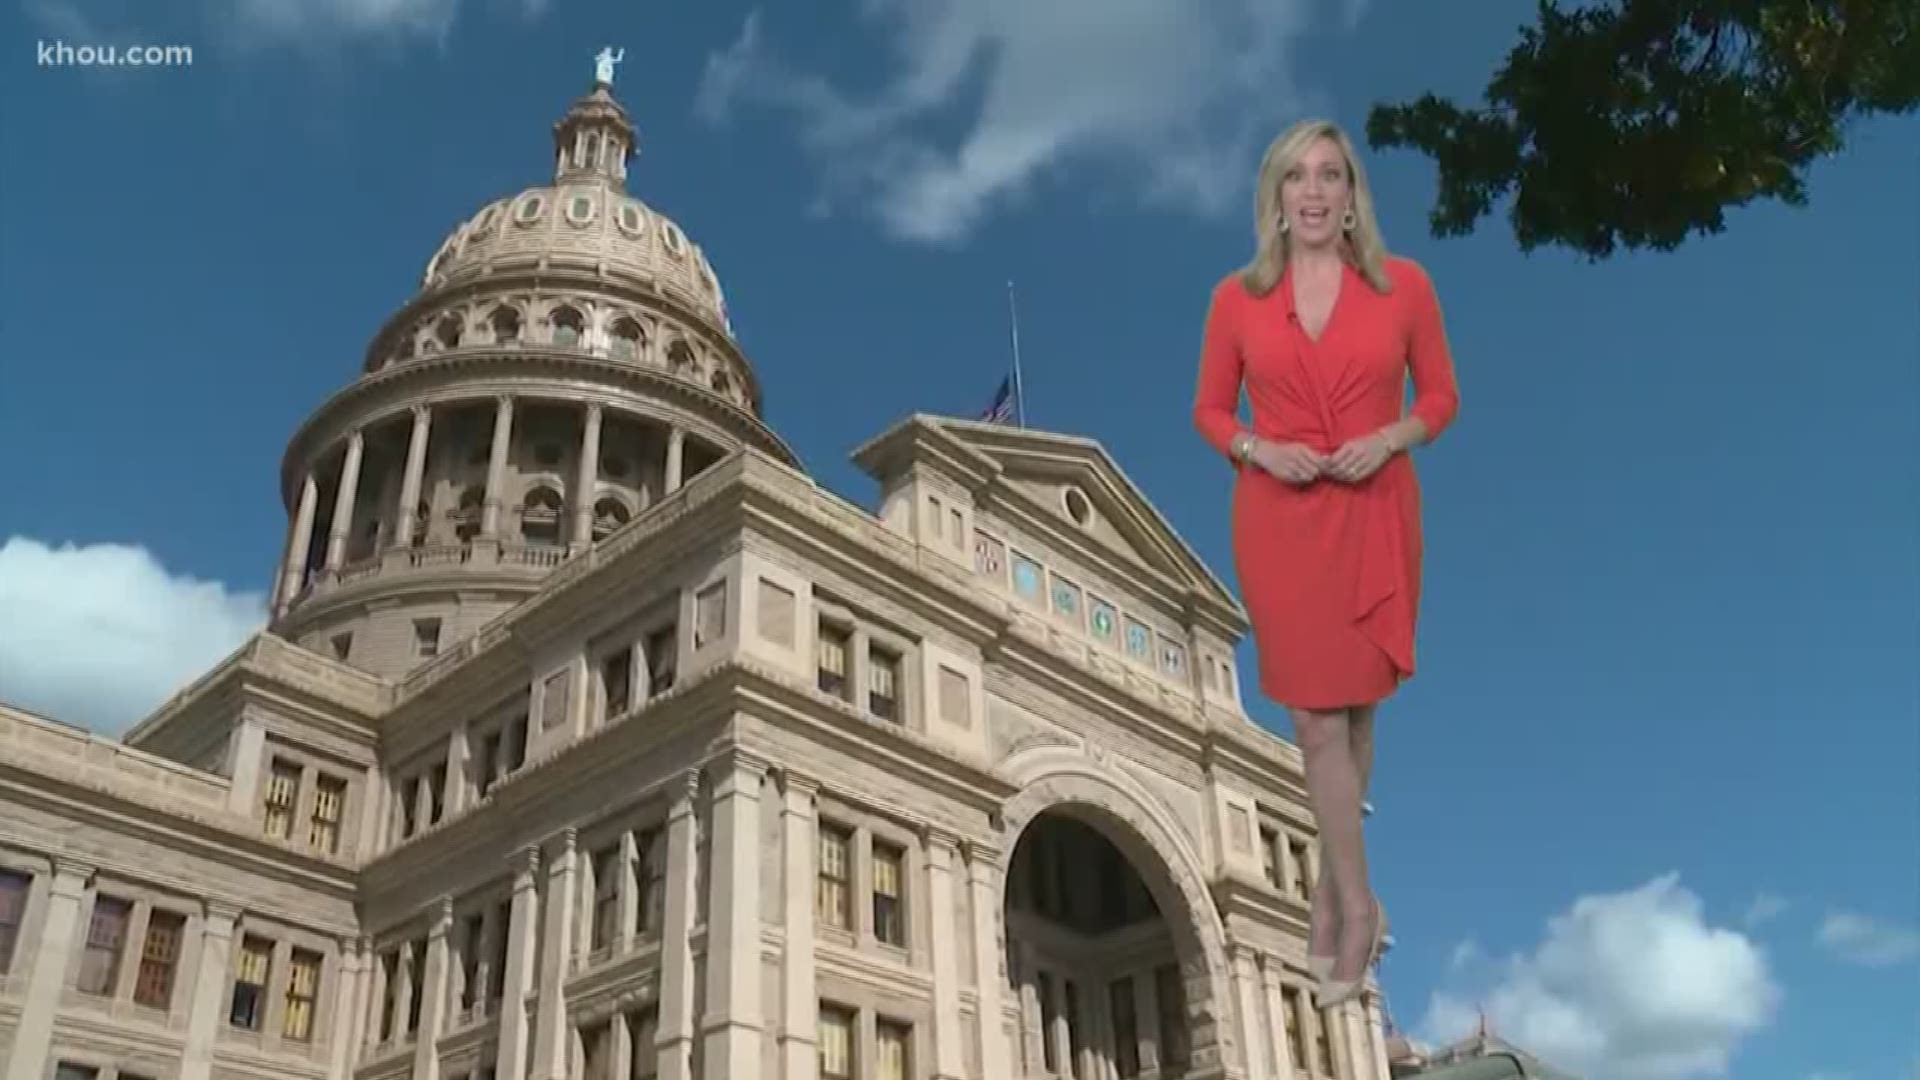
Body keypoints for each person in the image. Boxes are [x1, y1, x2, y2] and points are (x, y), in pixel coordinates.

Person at [1191, 118, 1460, 1006]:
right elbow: (1210, 411)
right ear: (1275, 198)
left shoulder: (1405, 287)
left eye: (1330, 177)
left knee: (1357, 717)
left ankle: (1326, 897)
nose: (1313, 192)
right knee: (1313, 721)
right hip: (1280, 516)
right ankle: (1357, 902)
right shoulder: (1236, 299)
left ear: (1351, 198)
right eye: (1296, 177)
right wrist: (1258, 451)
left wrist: (1389, 438)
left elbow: (1443, 397)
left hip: (1377, 509)